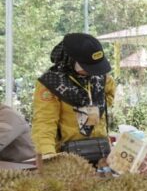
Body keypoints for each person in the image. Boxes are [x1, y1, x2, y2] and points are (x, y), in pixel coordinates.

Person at [31, 33, 116, 165]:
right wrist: (48, 155)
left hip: (102, 154)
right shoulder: (50, 84)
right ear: (70, 60)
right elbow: (44, 122)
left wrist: (91, 103)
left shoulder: (101, 78)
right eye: (87, 67)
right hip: (68, 160)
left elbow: (108, 98)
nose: (92, 72)